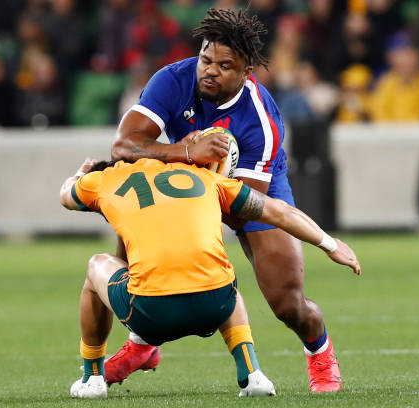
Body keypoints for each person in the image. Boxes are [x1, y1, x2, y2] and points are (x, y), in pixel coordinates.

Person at [108, 8, 356, 392]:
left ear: (246, 73)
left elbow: (244, 204)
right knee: (128, 254)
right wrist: (187, 154)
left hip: (252, 189)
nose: (210, 70)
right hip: (178, 177)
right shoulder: (172, 80)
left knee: (288, 304)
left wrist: (198, 172)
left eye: (226, 66)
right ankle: (142, 343)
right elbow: (124, 146)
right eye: (207, 59)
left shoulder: (260, 119)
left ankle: (319, 352)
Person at [59, 157, 361, 398]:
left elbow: (66, 196)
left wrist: (80, 172)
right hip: (214, 307)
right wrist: (331, 244)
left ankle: (92, 377)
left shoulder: (106, 179)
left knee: (96, 263)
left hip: (149, 313)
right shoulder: (208, 178)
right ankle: (253, 373)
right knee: (220, 270)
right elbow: (279, 212)